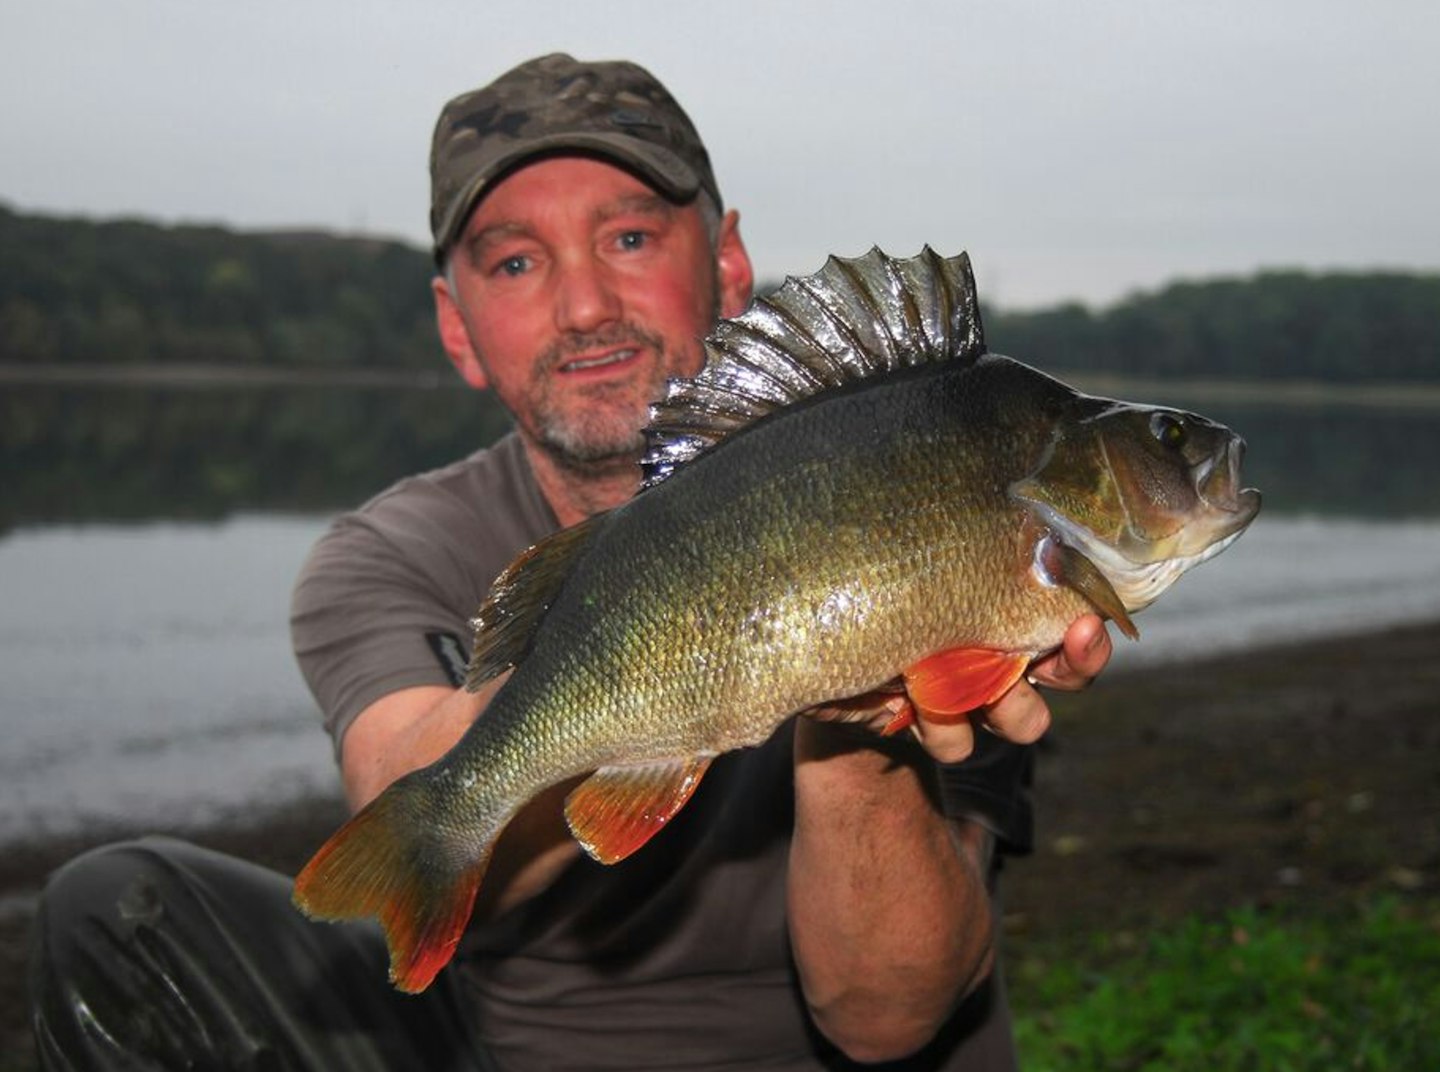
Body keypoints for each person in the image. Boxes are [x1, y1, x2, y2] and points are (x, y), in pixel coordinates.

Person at [29, 53, 1111, 1070]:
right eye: (514, 261)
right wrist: (639, 651)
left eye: (631, 240)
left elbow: (885, 1020)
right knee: (120, 906)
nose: (586, 305)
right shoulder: (386, 551)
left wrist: (850, 709)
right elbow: (408, 797)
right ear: (456, 328)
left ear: (728, 264)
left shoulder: (930, 487)